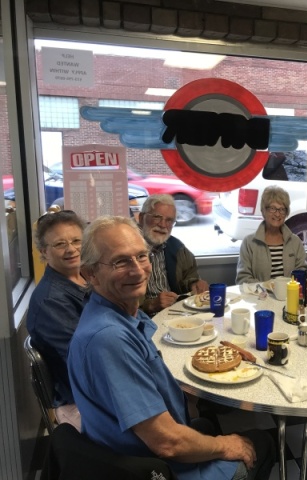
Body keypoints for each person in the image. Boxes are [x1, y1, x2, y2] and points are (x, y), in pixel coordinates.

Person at [68, 216, 275, 480]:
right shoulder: (109, 340)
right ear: (90, 273)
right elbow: (168, 443)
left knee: (208, 423)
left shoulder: (118, 316)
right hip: (156, 468)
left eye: (141, 256)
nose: (137, 270)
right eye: (120, 261)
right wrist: (225, 445)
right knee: (262, 441)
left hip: (140, 446)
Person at [26, 210, 89, 431]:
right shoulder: (50, 302)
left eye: (76, 241)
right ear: (44, 251)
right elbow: (84, 362)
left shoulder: (85, 276)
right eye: (60, 244)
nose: (71, 249)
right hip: (82, 400)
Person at [138, 194, 208, 315]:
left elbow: (189, 276)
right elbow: (117, 304)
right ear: (141, 218)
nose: (163, 225)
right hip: (142, 320)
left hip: (175, 314)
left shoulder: (177, 248)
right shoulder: (128, 253)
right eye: (157, 217)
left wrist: (194, 283)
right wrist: (149, 305)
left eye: (169, 220)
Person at [236, 185, 307, 284]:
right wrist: (267, 289)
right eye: (273, 208)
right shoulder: (249, 243)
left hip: (289, 297)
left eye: (282, 209)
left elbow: (303, 272)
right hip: (259, 298)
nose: (278, 214)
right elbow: (243, 279)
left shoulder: (295, 242)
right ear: (263, 211)